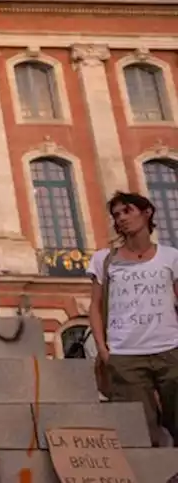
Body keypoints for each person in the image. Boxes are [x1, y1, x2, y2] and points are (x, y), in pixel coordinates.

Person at [88, 191, 178, 447]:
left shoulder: (170, 257)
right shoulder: (104, 260)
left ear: (146, 212)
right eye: (116, 215)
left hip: (170, 351)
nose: (121, 219)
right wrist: (103, 350)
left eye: (127, 211)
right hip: (125, 355)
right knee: (138, 432)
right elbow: (94, 306)